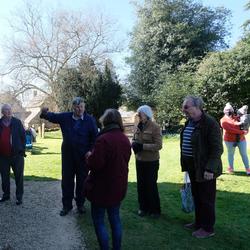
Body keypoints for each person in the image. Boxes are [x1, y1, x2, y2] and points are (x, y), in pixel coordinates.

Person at [40, 97, 98, 216]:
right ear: (73, 107)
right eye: (77, 107)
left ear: (84, 107)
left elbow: (95, 138)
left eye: (81, 107)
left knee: (82, 181)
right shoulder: (65, 117)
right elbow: (52, 116)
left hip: (83, 157)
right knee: (67, 181)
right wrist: (44, 112)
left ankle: (80, 204)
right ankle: (67, 206)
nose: (79, 109)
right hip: (68, 156)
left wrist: (91, 151)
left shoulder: (90, 120)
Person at [84, 109, 131, 250]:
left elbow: (95, 164)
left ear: (105, 121)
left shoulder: (103, 139)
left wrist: (89, 156)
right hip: (118, 185)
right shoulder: (124, 138)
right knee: (115, 219)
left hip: (102, 187)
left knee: (99, 221)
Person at [180, 96, 223, 238]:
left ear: (197, 106)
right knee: (196, 196)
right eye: (183, 106)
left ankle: (208, 228)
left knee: (206, 198)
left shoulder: (210, 123)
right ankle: (199, 222)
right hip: (193, 166)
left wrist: (210, 169)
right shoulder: (190, 121)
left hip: (205, 168)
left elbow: (217, 149)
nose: (184, 109)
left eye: (186, 106)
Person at [131, 105, 162, 218]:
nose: (138, 116)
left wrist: (142, 146)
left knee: (151, 185)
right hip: (139, 160)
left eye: (140, 114)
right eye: (138, 114)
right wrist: (134, 143)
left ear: (147, 114)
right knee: (141, 185)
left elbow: (159, 145)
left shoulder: (155, 127)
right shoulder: (138, 126)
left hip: (151, 161)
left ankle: (155, 210)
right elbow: (135, 139)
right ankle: (143, 208)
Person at [0, 104, 26, 205]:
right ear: (2, 112)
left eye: (10, 109)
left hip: (17, 156)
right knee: (4, 177)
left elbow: (23, 136)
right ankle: (6, 195)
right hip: (2, 157)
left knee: (19, 177)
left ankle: (19, 197)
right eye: (6, 110)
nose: (9, 111)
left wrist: (22, 150)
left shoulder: (17, 122)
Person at [220, 103, 250, 175]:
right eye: (227, 110)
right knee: (231, 154)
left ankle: (248, 169)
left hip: (241, 139)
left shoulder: (236, 117)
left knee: (244, 154)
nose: (229, 111)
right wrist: (242, 132)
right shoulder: (223, 120)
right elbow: (230, 130)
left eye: (230, 110)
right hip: (229, 140)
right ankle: (231, 168)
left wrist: (246, 130)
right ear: (224, 111)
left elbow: (244, 124)